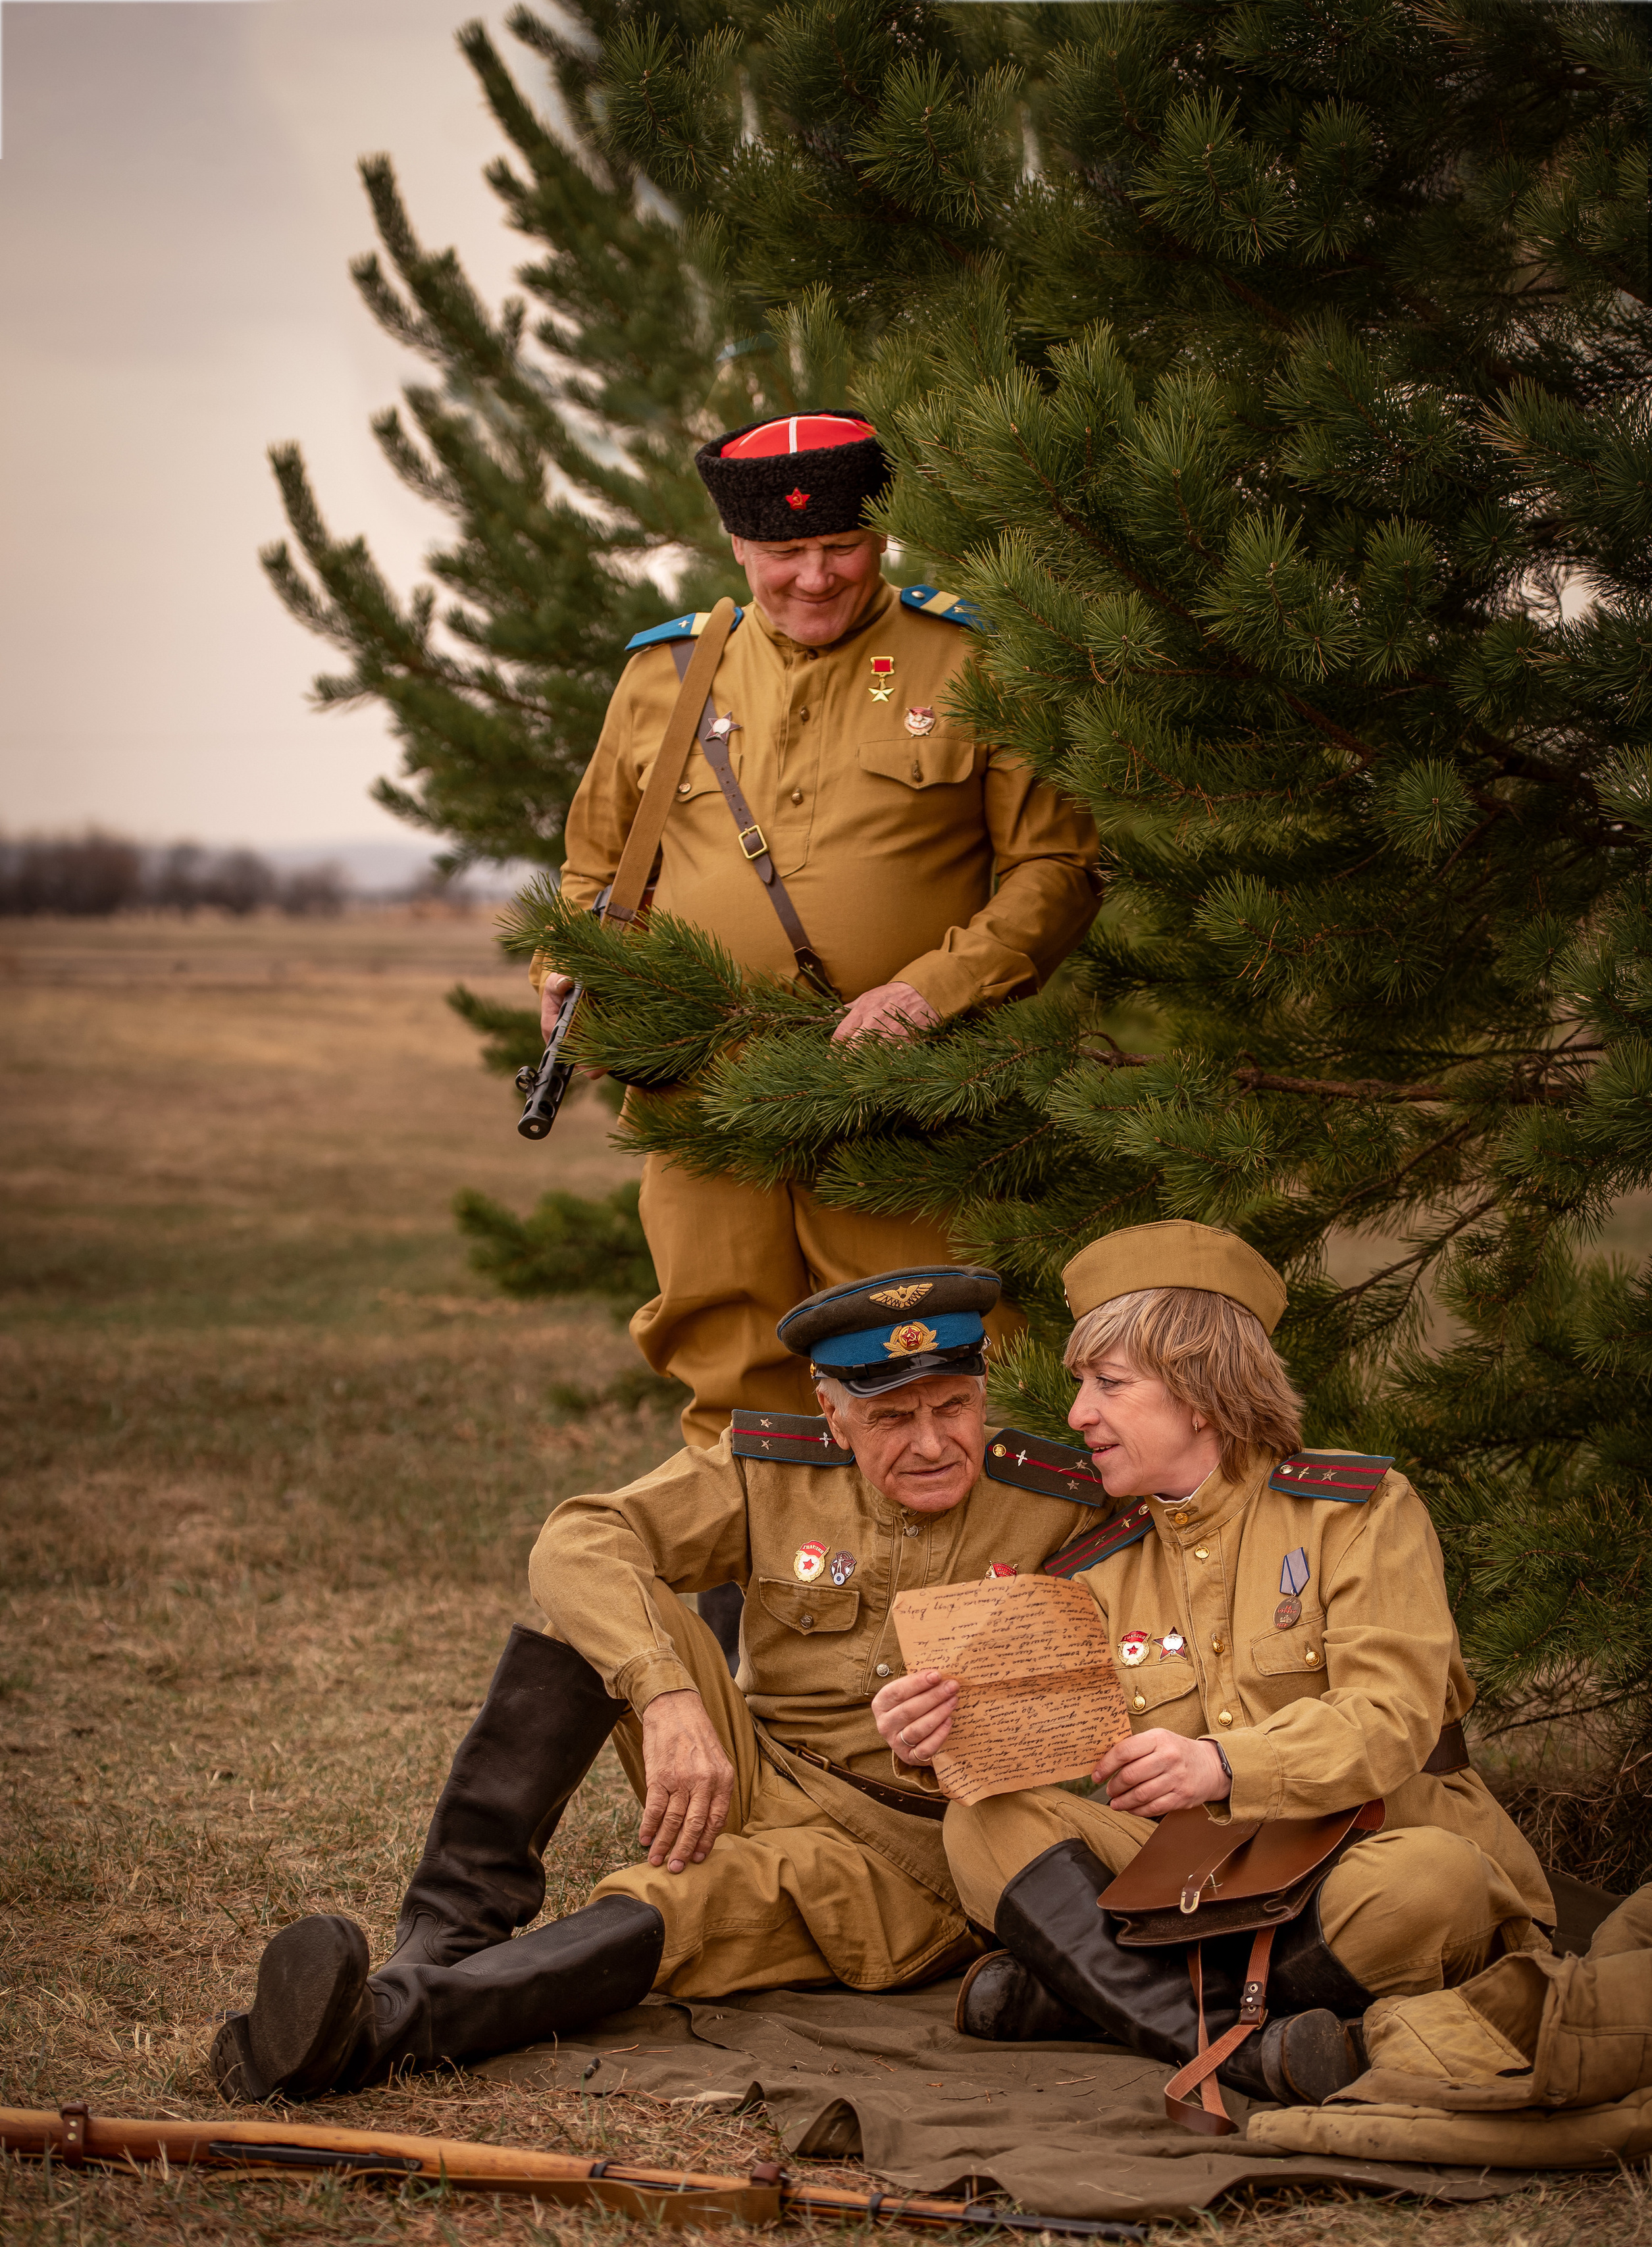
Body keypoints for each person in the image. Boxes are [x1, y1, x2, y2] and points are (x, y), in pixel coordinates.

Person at [211, 1268, 1108, 2103]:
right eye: (890, 1421)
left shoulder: (1061, 1501)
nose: (932, 1442)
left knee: (678, 1901)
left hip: (903, 1848)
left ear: (983, 1389)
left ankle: (378, 2030)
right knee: (588, 1602)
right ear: (831, 1413)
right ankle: (451, 1926)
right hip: (752, 1765)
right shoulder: (772, 1471)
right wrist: (670, 1697)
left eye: (953, 1407)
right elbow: (577, 1540)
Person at [869, 1222, 1557, 2111]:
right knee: (984, 1823)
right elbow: (1033, 1745)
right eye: (1083, 1385)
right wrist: (937, 1737)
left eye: (1109, 1385)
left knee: (1435, 1885)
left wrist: (1225, 1764)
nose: (1079, 1415)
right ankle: (1243, 2051)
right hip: (1198, 1878)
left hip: (1368, 1851)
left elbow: (1391, 1720)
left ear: (1201, 1394)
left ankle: (1096, 1997)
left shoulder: (1357, 1514)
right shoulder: (1102, 1565)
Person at [532, 409, 1101, 1447]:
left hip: (894, 1086)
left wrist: (936, 990)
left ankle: (944, 1603)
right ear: (738, 547)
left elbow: (1056, 865)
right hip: (702, 1086)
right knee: (727, 1358)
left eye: (841, 545)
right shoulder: (668, 676)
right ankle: (755, 1605)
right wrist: (564, 967)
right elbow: (594, 867)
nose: (815, 577)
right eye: (784, 553)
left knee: (923, 1359)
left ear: (880, 534)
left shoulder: (969, 658)